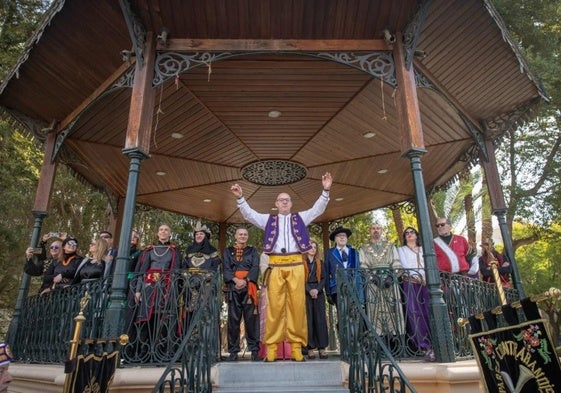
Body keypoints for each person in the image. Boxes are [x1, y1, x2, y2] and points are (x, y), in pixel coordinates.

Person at [230, 172, 332, 362]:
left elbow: (318, 209)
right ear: (276, 204)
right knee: (275, 307)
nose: (284, 202)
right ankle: (272, 347)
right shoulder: (268, 220)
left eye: (287, 200)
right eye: (281, 200)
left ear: (291, 204)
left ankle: (295, 346)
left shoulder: (301, 217)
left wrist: (325, 190)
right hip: (275, 265)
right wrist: (240, 198)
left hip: (295, 265)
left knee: (297, 307)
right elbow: (249, 214)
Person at [359, 223, 405, 346]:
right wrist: (373, 278)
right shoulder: (363, 248)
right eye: (373, 228)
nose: (376, 230)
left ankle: (396, 343)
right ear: (370, 231)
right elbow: (363, 266)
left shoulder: (390, 246)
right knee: (375, 310)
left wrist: (391, 277)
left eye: (378, 228)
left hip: (390, 282)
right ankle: (378, 342)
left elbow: (397, 263)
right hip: (373, 284)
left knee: (393, 309)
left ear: (382, 230)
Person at [223, 227, 260, 361]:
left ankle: (255, 350)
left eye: (245, 234)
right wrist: (235, 280)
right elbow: (226, 268)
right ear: (235, 236)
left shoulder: (253, 251)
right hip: (233, 288)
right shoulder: (228, 251)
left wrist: (245, 280)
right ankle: (233, 351)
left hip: (249, 288)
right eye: (240, 234)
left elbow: (255, 267)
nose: (242, 236)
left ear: (247, 236)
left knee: (252, 321)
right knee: (233, 321)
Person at [396, 227, 433, 361]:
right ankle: (423, 346)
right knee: (414, 313)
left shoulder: (424, 249)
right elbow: (405, 266)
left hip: (426, 283)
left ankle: (434, 344)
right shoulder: (401, 250)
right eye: (407, 233)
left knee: (429, 311)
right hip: (411, 283)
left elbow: (429, 263)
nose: (409, 234)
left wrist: (425, 277)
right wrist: (418, 277)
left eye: (412, 232)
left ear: (417, 235)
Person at [303, 240, 329, 360]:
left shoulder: (320, 262)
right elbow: (300, 280)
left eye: (314, 247)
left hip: (318, 293)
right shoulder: (301, 263)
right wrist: (309, 290)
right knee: (309, 320)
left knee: (320, 320)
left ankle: (322, 348)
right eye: (310, 247)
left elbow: (324, 278)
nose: (313, 249)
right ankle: (310, 348)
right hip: (306, 292)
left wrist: (317, 290)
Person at [324, 226, 359, 310]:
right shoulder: (329, 253)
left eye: (344, 235)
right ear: (335, 239)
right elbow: (326, 273)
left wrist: (359, 292)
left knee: (353, 316)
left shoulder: (353, 252)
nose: (342, 237)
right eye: (339, 235)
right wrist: (328, 293)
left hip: (353, 288)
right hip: (336, 289)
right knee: (342, 316)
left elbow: (358, 272)